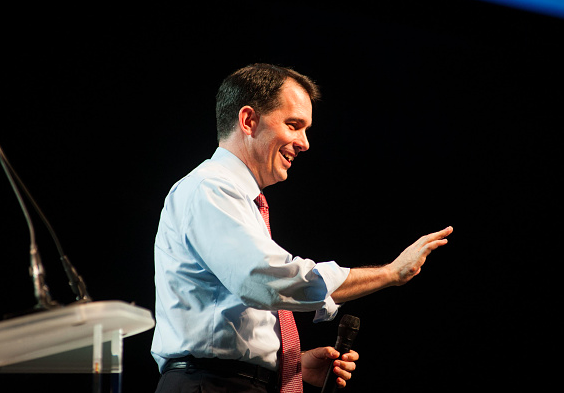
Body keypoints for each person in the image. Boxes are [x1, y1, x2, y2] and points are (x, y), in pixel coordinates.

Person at [151, 63, 453, 393]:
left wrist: (291, 364)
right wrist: (390, 273)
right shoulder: (209, 188)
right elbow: (264, 279)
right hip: (208, 385)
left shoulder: (238, 198)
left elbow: (227, 314)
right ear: (249, 120)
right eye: (294, 125)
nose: (305, 142)